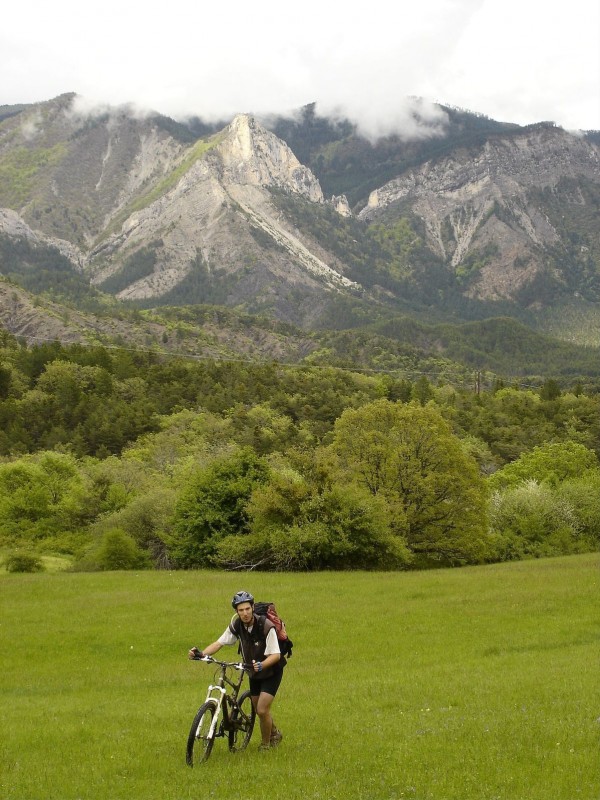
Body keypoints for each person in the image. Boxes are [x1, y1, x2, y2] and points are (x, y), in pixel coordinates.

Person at [188, 590, 285, 751]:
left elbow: (276, 655)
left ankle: (266, 744)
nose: (245, 613)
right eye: (241, 610)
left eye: (247, 609)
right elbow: (219, 643)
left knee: (261, 709)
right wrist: (202, 654)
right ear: (237, 612)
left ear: (253, 607)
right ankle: (274, 732)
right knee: (258, 709)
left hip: (271, 671)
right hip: (253, 671)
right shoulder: (237, 625)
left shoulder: (266, 626)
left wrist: (262, 665)